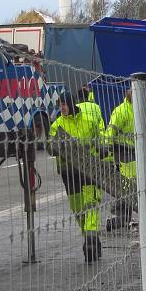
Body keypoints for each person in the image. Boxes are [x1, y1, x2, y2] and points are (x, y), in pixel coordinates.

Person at [49, 91, 103, 262]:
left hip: (88, 172)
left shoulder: (88, 122)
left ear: (71, 104)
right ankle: (88, 234)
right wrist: (55, 147)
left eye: (64, 104)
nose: (62, 108)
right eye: (60, 105)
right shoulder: (57, 125)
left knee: (91, 204)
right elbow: (50, 147)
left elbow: (99, 139)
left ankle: (91, 238)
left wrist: (103, 151)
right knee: (78, 209)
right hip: (69, 173)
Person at [101, 88, 136, 231]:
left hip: (132, 153)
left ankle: (121, 219)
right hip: (122, 153)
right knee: (128, 187)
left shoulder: (135, 109)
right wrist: (107, 146)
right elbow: (111, 128)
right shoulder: (121, 111)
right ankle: (117, 207)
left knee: (130, 187)